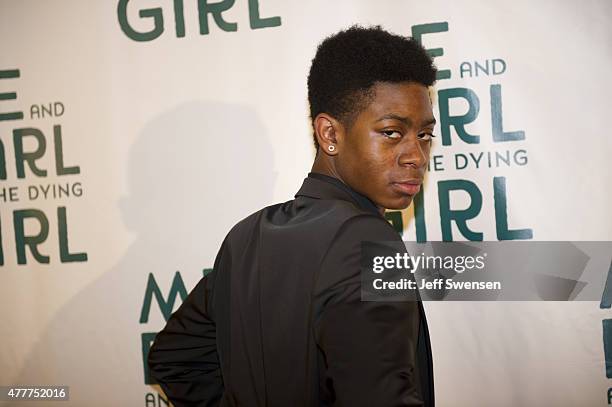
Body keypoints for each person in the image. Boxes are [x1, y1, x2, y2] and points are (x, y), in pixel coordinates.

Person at [148, 25, 437, 406]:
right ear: (329, 133)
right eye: (391, 133)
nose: (416, 155)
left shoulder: (246, 237)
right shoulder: (367, 240)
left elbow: (174, 358)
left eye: (425, 135)